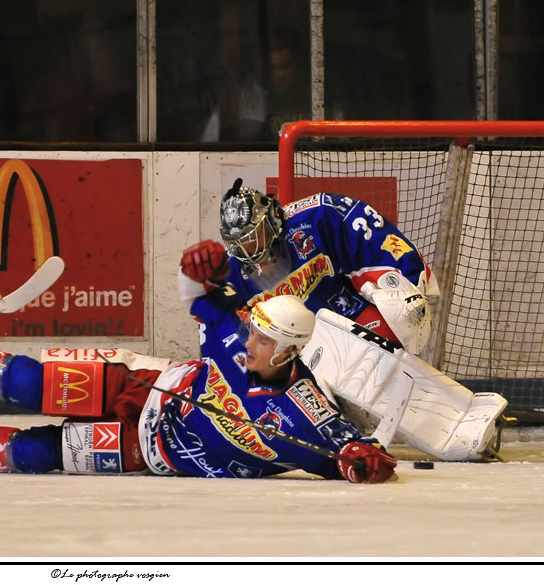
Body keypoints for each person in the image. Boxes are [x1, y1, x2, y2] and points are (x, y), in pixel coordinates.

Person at [0, 296, 396, 483]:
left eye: (262, 337)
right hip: (143, 384)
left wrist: (362, 460)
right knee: (29, 382)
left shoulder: (303, 410)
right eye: (251, 330)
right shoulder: (235, 336)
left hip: (150, 452)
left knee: (34, 453)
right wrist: (206, 283)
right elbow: (205, 302)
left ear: (285, 352)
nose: (249, 339)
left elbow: (346, 450)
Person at [177, 179, 507, 461]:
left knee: (399, 310)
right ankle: (339, 426)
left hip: (346, 321)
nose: (251, 252)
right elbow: (232, 353)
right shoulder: (230, 276)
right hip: (294, 359)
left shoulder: (316, 217)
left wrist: (403, 288)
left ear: (272, 221)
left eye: (256, 238)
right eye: (241, 244)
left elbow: (382, 246)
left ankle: (445, 411)